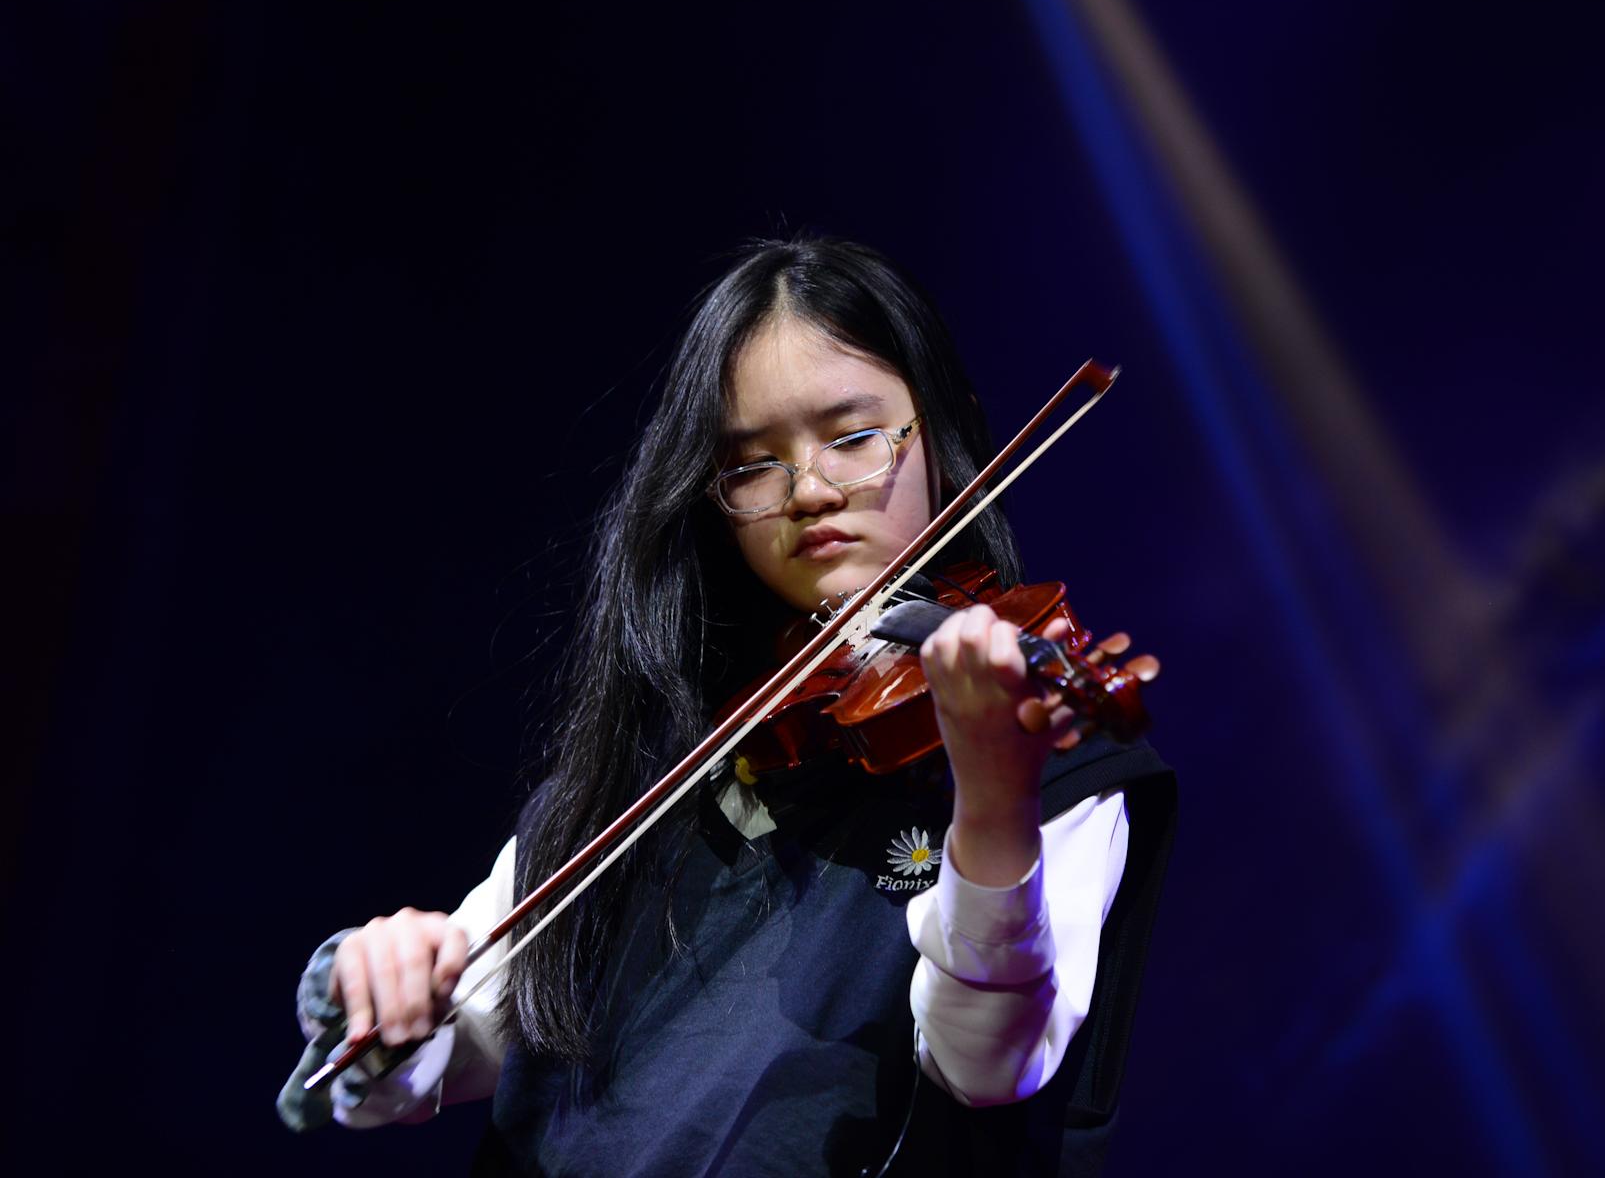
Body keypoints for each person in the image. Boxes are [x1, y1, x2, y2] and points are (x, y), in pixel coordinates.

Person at [277, 237, 1176, 1176]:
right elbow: (455, 1052)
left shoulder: (1055, 762)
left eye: (855, 436)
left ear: (940, 432)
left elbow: (989, 1063)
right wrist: (390, 988)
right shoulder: (663, 759)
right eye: (753, 466)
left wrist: (993, 794)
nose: (812, 492)